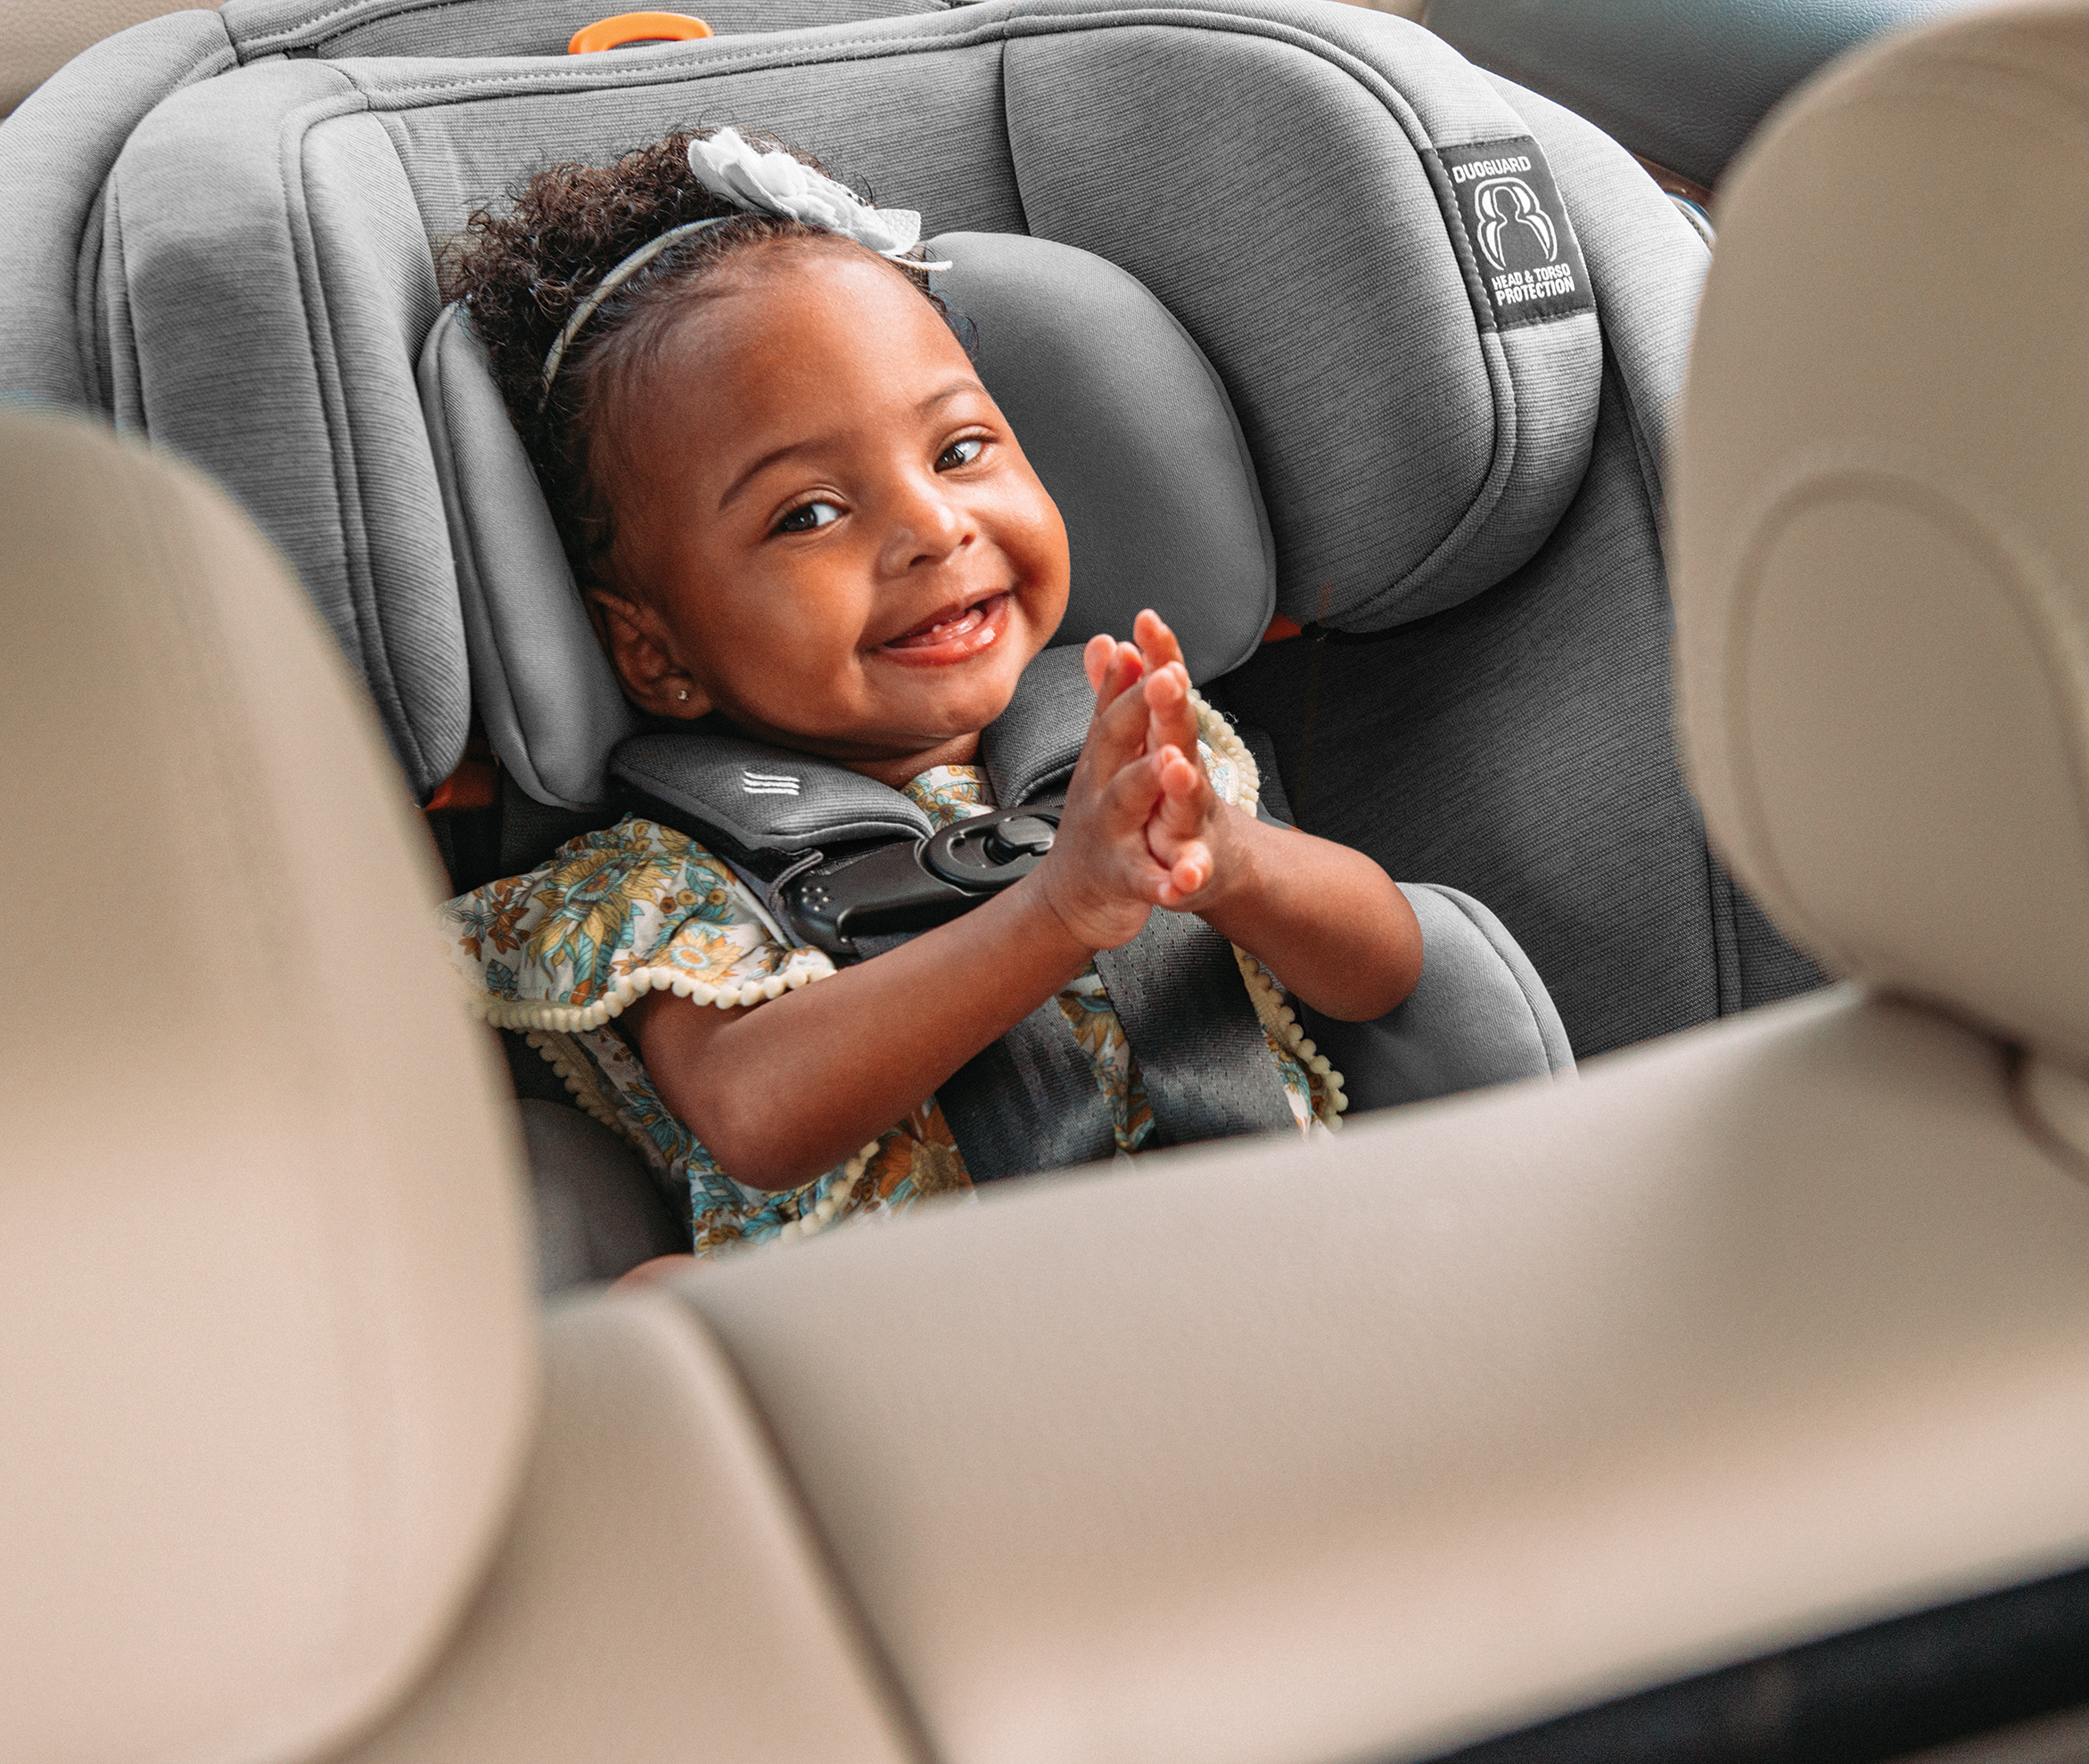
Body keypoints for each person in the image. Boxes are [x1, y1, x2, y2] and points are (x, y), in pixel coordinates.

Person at [439, 125, 1425, 1268]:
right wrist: (1058, 911)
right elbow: (756, 1114)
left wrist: (1235, 863)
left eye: (959, 451)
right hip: (913, 1372)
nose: (932, 528)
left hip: (1268, 1273)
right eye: (807, 514)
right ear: (655, 651)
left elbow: (1384, 967)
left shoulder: (1128, 750)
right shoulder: (662, 886)